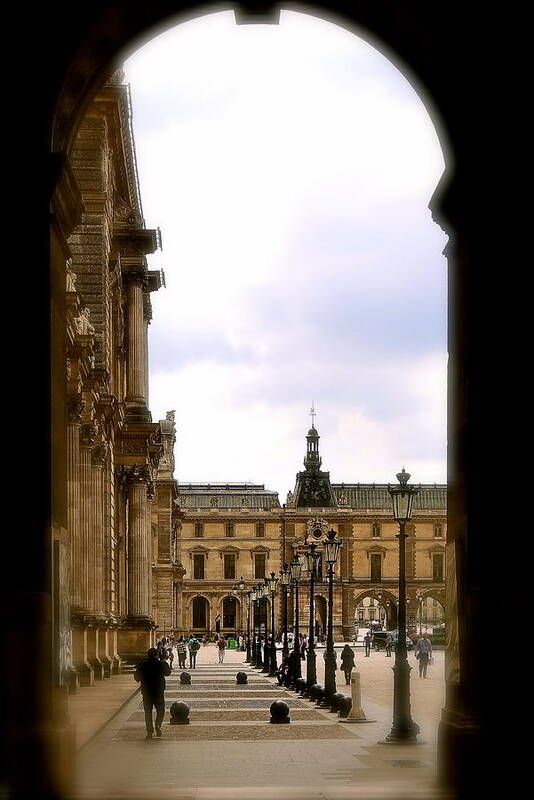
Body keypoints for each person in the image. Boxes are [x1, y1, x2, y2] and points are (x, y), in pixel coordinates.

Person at [134, 647, 171, 739]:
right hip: (158, 691)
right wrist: (163, 662)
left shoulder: (142, 665)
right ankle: (158, 724)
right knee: (160, 710)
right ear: (157, 655)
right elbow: (168, 673)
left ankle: (149, 731)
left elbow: (137, 678)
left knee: (148, 713)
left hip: (146, 692)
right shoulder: (161, 664)